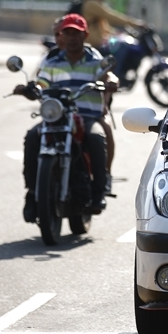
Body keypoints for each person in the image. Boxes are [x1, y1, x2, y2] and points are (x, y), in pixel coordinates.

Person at [15, 13, 117, 221]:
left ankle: (99, 190)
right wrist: (30, 89)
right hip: (57, 117)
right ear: (61, 35)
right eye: (67, 33)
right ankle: (33, 193)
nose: (71, 37)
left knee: (97, 139)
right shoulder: (53, 62)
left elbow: (108, 75)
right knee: (32, 137)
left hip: (86, 117)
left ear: (85, 35)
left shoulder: (94, 60)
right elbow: (41, 83)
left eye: (76, 33)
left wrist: (112, 82)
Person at [79, 0, 148, 84]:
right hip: (93, 42)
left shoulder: (97, 4)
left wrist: (118, 33)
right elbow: (111, 16)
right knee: (122, 46)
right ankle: (116, 75)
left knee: (123, 41)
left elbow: (104, 27)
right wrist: (136, 23)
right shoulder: (92, 3)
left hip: (100, 40)